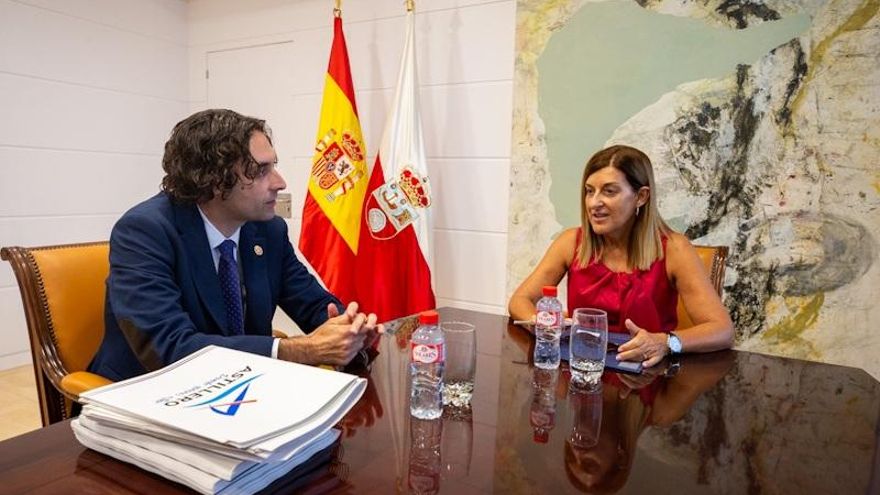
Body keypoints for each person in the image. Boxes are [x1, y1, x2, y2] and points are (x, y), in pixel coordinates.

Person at [89, 109, 382, 381]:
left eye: (273, 166)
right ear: (214, 179)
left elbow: (312, 302)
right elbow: (171, 348)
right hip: (148, 393)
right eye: (261, 170)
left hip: (240, 387)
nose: (279, 183)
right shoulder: (145, 232)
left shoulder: (268, 230)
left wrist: (350, 329)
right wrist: (299, 349)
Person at [508, 145, 733, 368]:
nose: (594, 203)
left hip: (647, 380)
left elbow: (722, 330)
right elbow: (520, 301)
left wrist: (665, 342)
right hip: (584, 372)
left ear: (641, 196)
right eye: (589, 191)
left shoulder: (675, 249)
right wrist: (542, 324)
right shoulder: (571, 242)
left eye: (609, 191)